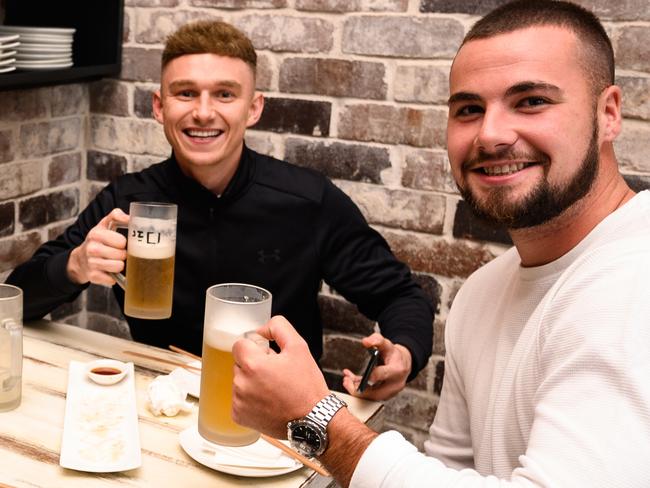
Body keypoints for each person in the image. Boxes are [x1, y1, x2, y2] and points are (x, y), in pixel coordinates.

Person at [230, 1, 650, 486]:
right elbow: (450, 466)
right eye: (469, 109)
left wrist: (317, 417)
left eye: (531, 101)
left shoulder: (634, 276)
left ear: (609, 113)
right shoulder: (482, 292)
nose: (491, 135)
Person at [5, 20, 434, 400]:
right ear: (159, 106)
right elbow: (15, 303)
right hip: (159, 398)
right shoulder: (127, 199)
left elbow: (400, 295)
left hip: (278, 407)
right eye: (185, 93)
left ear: (253, 108)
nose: (203, 112)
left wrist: (403, 351)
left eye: (224, 94)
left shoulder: (308, 199)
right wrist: (74, 266)